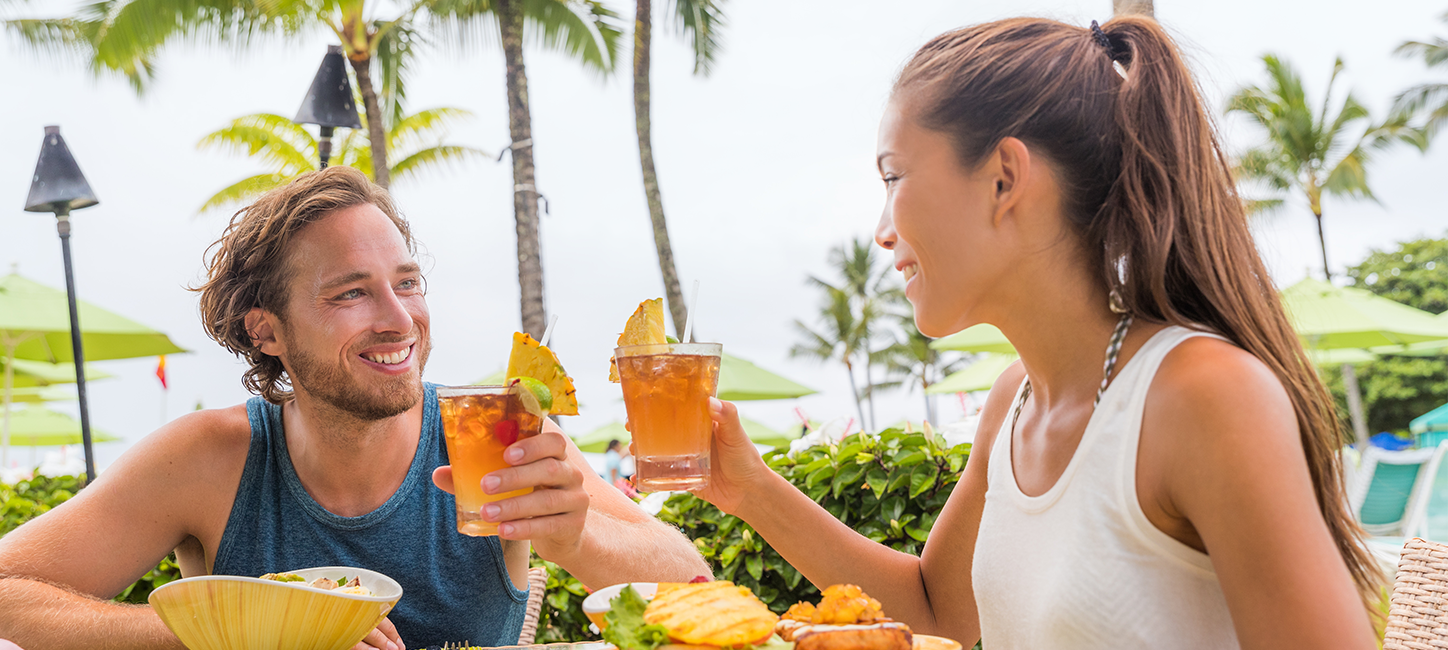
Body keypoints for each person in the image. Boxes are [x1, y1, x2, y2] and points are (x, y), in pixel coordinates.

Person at [692, 16, 1379, 649]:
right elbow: (939, 611)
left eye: (895, 175)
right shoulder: (1014, 402)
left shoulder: (1201, 396)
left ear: (1005, 178)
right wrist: (748, 488)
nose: (882, 232)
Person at [0, 168, 710, 649]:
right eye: (351, 293)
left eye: (408, 282)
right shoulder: (207, 462)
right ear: (266, 330)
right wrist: (247, 628)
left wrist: (575, 535)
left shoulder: (491, 433)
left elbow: (690, 582)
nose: (400, 319)